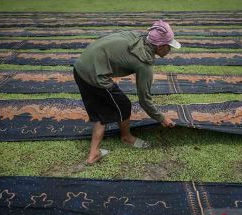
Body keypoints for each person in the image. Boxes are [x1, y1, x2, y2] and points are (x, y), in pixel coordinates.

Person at [73, 20, 181, 164]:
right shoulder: (144, 64)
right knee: (122, 105)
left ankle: (95, 152)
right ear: (160, 46)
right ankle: (124, 139)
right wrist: (162, 119)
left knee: (101, 109)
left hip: (80, 66)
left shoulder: (136, 36)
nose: (169, 50)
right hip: (94, 75)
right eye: (169, 47)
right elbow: (145, 100)